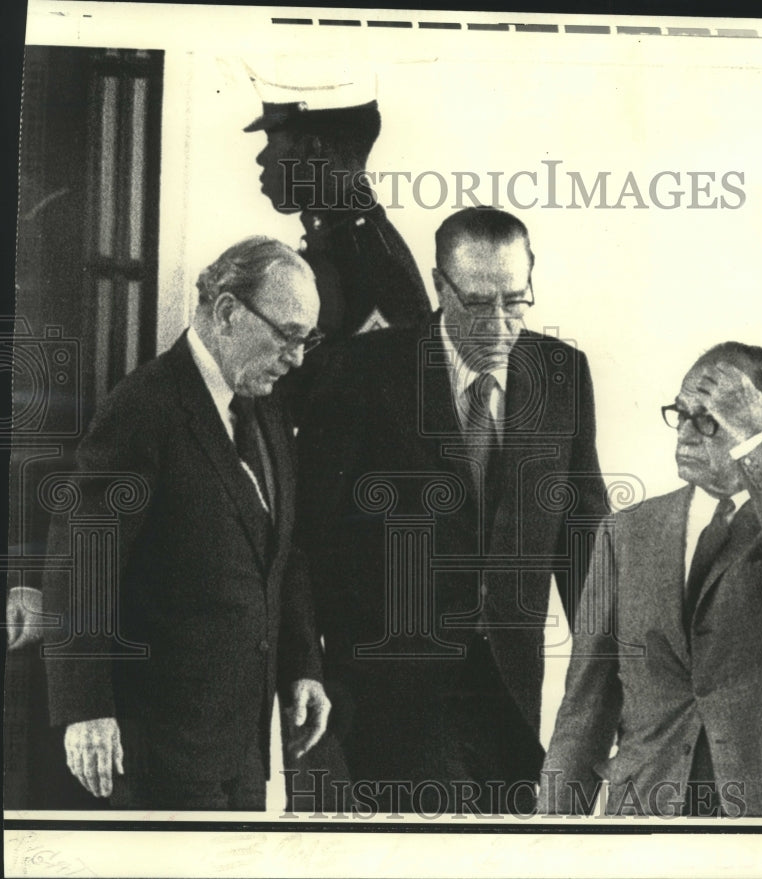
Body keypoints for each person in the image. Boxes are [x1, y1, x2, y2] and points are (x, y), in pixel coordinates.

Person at [295, 207, 608, 814]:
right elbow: (308, 539)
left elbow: (583, 542)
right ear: (440, 285)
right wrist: (307, 666)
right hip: (390, 689)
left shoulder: (563, 374)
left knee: (509, 850)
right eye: (478, 303)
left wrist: (613, 678)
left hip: (511, 688)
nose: (499, 326)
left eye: (515, 301)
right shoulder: (362, 371)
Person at [42, 237, 332, 810]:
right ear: (227, 312)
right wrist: (85, 709)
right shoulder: (143, 407)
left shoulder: (268, 409)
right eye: (288, 335)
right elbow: (80, 563)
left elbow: (283, 551)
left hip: (241, 749)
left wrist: (302, 666)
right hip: (157, 748)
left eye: (307, 339)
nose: (297, 358)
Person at [538, 342, 762, 818]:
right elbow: (587, 704)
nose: (686, 434)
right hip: (649, 805)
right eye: (681, 415)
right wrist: (551, 827)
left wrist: (753, 439)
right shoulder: (626, 531)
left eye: (708, 420)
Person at [245, 71, 431, 418]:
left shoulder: (370, 264)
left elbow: (369, 411)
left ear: (312, 149)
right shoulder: (338, 245)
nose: (261, 158)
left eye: (273, 141)